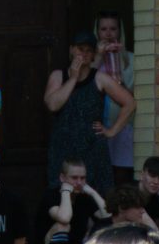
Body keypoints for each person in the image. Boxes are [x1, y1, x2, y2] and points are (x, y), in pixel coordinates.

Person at [44, 32, 128, 194]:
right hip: (63, 149)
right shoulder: (58, 76)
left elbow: (129, 103)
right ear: (71, 50)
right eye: (80, 49)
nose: (84, 54)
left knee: (97, 197)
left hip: (93, 150)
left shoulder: (100, 78)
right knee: (61, 195)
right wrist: (73, 78)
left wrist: (111, 131)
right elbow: (53, 105)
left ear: (94, 55)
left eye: (89, 50)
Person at [96, 14, 139, 184]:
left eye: (113, 29)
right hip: (98, 125)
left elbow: (137, 94)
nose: (108, 34)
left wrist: (119, 79)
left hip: (123, 125)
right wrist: (98, 56)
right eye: (103, 29)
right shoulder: (92, 59)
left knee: (121, 175)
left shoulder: (132, 59)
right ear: (97, 32)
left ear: (120, 32)